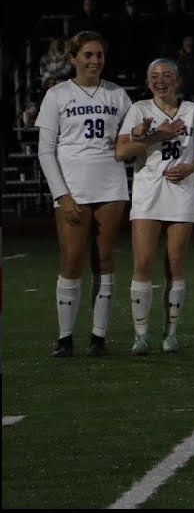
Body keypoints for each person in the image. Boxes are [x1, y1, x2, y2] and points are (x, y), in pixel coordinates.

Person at [36, 31, 132, 357]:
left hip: (112, 186)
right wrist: (62, 195)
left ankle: (99, 337)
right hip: (73, 189)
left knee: (104, 260)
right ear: (73, 58)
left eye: (99, 55)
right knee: (72, 259)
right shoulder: (57, 95)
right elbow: (45, 151)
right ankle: (65, 338)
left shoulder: (118, 95)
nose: (94, 61)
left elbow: (129, 142)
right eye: (88, 55)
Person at [115, 58, 194, 354]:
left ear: (177, 81)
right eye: (155, 76)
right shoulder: (139, 110)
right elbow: (121, 152)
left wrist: (190, 168)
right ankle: (141, 335)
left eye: (167, 75)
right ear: (148, 82)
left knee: (175, 263)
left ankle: (171, 333)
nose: (161, 80)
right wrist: (156, 136)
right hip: (147, 193)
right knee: (143, 262)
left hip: (181, 192)